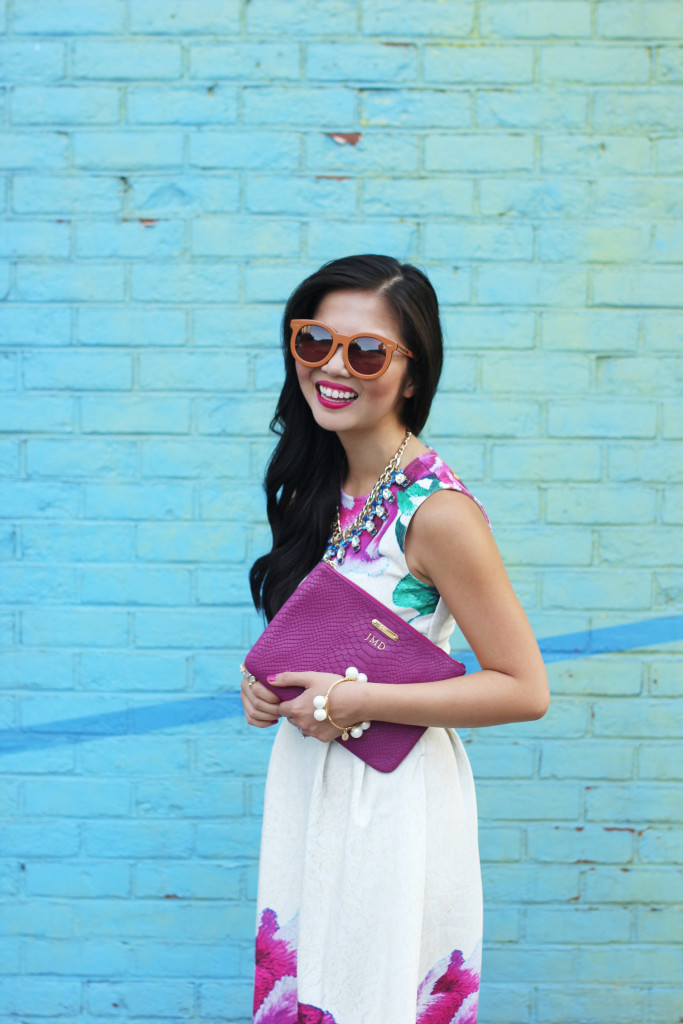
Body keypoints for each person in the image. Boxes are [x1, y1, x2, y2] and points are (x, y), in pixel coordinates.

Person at [241, 254, 549, 1024]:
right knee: (313, 987)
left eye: (367, 351)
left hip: (391, 794)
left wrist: (352, 696)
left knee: (369, 995)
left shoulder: (437, 512)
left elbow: (523, 687)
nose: (334, 367)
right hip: (310, 780)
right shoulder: (319, 487)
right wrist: (267, 685)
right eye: (314, 341)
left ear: (412, 377)